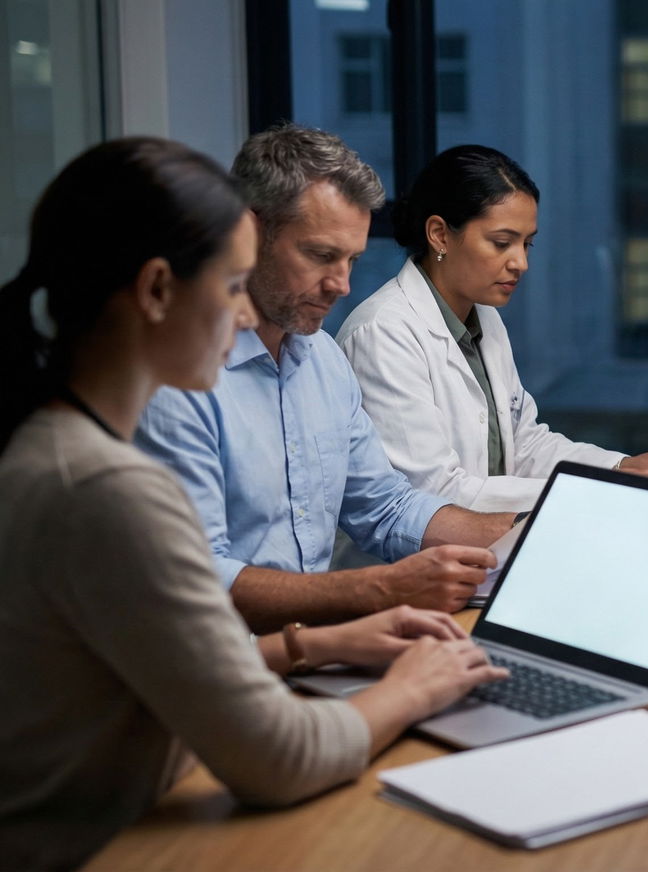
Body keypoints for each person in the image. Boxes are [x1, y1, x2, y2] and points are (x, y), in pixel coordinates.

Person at [0, 138, 507, 870]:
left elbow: (158, 656)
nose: (243, 317)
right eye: (232, 285)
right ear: (156, 291)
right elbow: (281, 756)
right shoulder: (107, 490)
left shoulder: (57, 446)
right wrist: (414, 687)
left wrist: (316, 643)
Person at [135, 125, 515, 631]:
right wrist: (379, 590)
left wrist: (526, 533)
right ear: (247, 234)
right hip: (221, 666)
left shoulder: (321, 361)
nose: (342, 285)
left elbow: (386, 506)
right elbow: (202, 579)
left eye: (352, 259)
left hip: (311, 653)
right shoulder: (179, 379)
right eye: (320, 256)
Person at [335, 145, 648, 514]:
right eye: (502, 243)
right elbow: (435, 494)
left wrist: (617, 468)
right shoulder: (382, 333)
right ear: (439, 234)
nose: (520, 262)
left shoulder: (483, 316)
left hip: (493, 546)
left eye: (527, 244)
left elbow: (524, 444)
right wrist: (600, 490)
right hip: (423, 564)